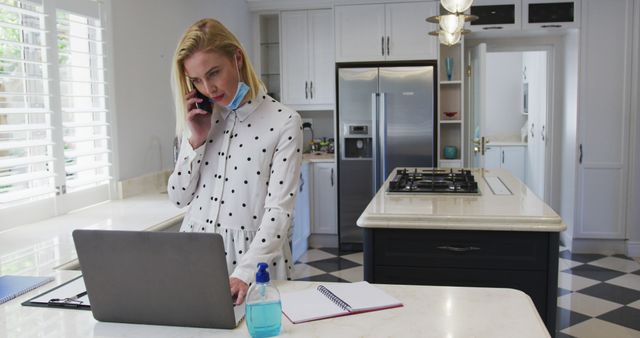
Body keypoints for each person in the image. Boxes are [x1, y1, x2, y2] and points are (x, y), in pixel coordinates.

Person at [168, 18, 302, 305]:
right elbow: (179, 198)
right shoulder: (199, 119)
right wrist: (196, 140)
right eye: (196, 80)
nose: (208, 88)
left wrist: (245, 272)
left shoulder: (284, 122)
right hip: (195, 257)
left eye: (214, 72)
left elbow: (279, 211)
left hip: (255, 263)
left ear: (237, 58)